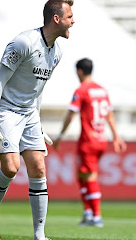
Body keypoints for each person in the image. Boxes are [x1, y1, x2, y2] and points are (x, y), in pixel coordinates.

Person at [0, 0, 75, 240]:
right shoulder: (24, 42)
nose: (73, 21)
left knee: (38, 169)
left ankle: (39, 237)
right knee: (11, 168)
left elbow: (38, 90)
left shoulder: (57, 52)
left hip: (30, 114)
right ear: (56, 19)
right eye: (69, 17)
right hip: (7, 111)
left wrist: (39, 120)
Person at [53, 58, 126, 227]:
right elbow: (109, 115)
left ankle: (97, 216)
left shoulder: (81, 90)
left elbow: (71, 114)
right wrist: (116, 136)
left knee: (90, 175)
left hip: (88, 140)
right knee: (81, 174)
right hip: (101, 139)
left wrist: (60, 136)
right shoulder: (102, 90)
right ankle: (87, 212)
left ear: (79, 71)